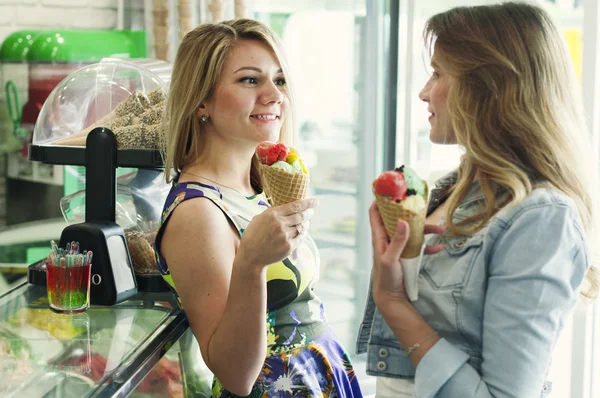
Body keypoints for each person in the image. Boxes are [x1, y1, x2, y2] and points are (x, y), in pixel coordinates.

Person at [356, 2, 598, 397]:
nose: (422, 92)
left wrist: (393, 302)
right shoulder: (452, 187)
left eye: (437, 74)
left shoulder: (541, 217)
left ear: (488, 87)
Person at [154, 19, 363, 397]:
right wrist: (251, 264)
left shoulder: (258, 187)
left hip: (319, 376)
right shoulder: (197, 213)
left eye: (279, 80)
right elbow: (236, 375)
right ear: (201, 100)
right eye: (250, 80)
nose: (275, 95)